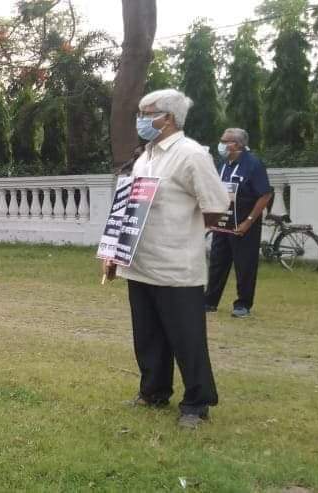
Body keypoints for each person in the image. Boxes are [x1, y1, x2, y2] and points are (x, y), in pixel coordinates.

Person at [103, 89, 229, 429]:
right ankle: (154, 391)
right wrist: (114, 252)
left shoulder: (191, 155)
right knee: (148, 336)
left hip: (175, 267)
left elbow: (215, 206)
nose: (141, 121)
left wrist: (182, 232)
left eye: (147, 114)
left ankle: (197, 402)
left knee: (186, 339)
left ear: (168, 118)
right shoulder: (145, 156)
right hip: (140, 264)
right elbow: (127, 208)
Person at [204, 128, 272, 318]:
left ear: (237, 145)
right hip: (223, 223)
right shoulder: (223, 163)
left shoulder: (253, 164)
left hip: (244, 224)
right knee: (217, 262)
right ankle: (210, 301)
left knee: (245, 265)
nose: (221, 144)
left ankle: (243, 304)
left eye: (225, 141)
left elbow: (265, 194)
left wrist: (248, 221)